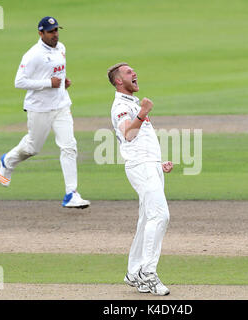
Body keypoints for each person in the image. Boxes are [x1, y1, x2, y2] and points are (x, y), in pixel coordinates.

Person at [0, 16, 90, 209]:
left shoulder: (62, 48)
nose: (55, 34)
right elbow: (19, 82)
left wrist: (63, 83)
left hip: (61, 105)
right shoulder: (33, 55)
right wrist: (48, 83)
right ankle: (8, 160)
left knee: (69, 146)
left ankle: (71, 194)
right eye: (50, 31)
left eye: (56, 30)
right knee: (32, 148)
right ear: (41, 33)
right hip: (39, 108)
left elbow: (57, 72)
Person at [107, 62, 174, 296]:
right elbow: (128, 135)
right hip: (141, 167)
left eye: (133, 71)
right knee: (160, 215)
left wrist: (158, 163)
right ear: (118, 81)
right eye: (128, 72)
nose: (134, 73)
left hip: (148, 165)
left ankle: (134, 272)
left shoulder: (130, 103)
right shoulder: (121, 107)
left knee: (147, 220)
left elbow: (141, 140)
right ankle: (148, 273)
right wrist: (143, 113)